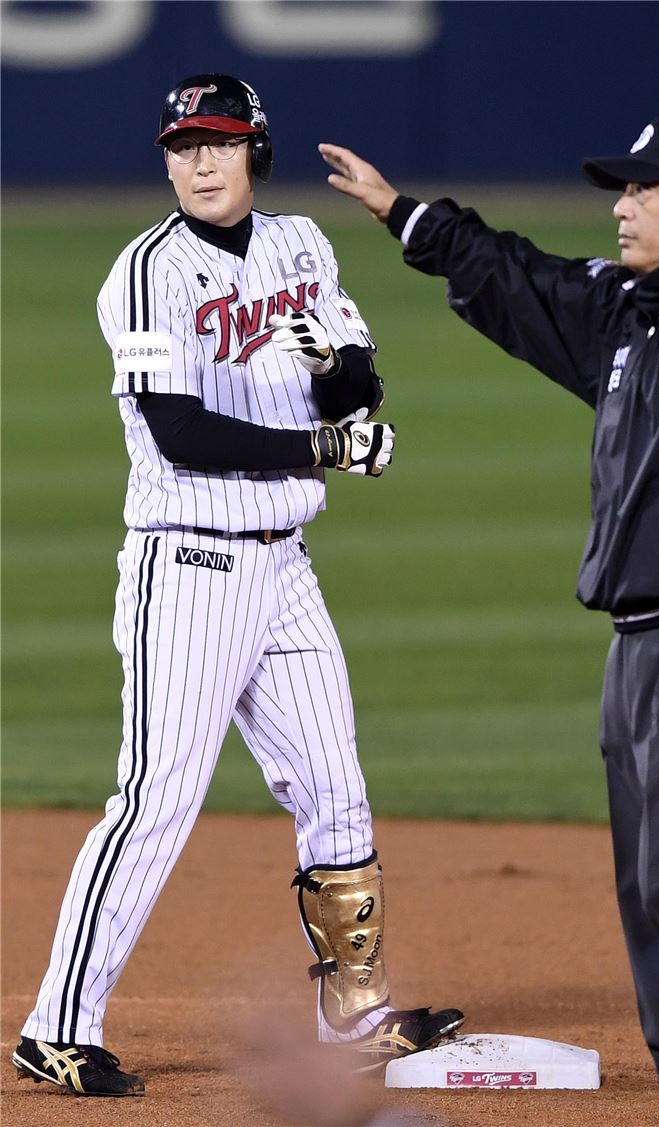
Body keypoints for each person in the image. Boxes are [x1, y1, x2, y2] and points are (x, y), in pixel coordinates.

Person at [319, 102, 659, 1127]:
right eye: (621, 190)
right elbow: (516, 277)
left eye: (644, 190)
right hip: (638, 648)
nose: (622, 207)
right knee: (652, 906)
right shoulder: (623, 311)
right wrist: (402, 213)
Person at [11, 73, 463, 1098]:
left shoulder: (301, 244)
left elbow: (355, 386)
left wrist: (336, 368)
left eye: (218, 141)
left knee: (336, 789)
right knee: (159, 796)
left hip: (285, 565)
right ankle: (56, 1025)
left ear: (256, 149)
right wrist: (326, 446)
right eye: (183, 146)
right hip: (188, 561)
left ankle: (354, 1019)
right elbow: (179, 430)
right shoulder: (146, 273)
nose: (200, 162)